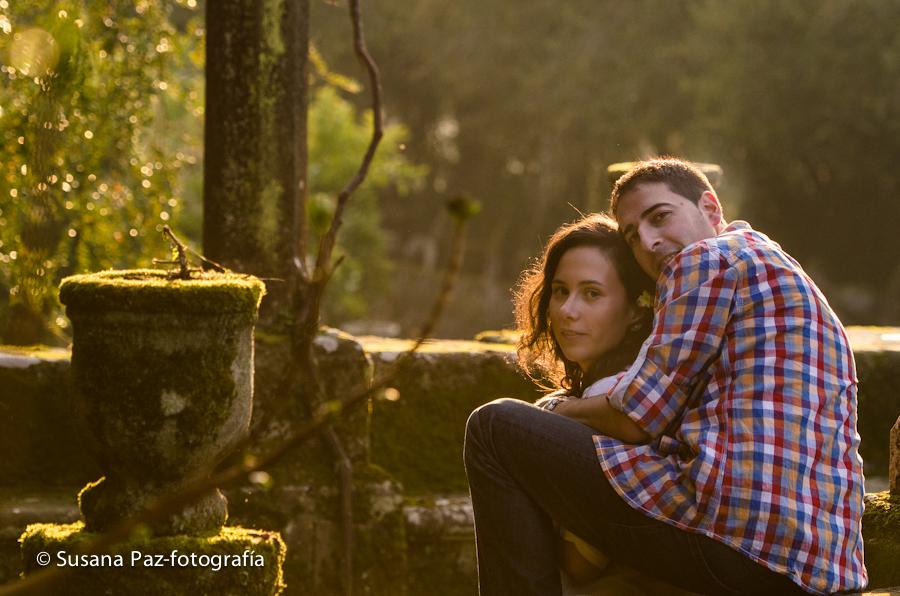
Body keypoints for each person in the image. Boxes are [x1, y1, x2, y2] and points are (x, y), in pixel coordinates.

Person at [464, 158, 866, 595]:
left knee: (494, 427)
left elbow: (637, 419)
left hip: (740, 543)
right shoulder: (766, 260)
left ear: (710, 208)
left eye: (660, 217)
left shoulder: (705, 259)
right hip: (816, 562)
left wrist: (552, 409)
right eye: (633, 236)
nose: (650, 242)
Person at [512, 213, 654, 585]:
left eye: (592, 293)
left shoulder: (610, 400)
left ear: (637, 311)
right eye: (560, 290)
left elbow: (581, 563)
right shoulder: (596, 393)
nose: (567, 311)